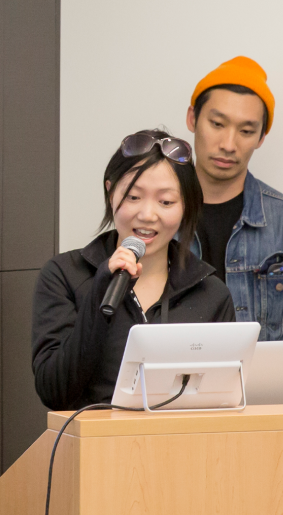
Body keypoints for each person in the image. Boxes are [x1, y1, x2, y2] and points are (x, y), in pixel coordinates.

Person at [32, 130, 234, 410]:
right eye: (134, 197)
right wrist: (100, 295)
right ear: (110, 191)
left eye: (166, 202)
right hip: (95, 448)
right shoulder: (65, 275)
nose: (148, 215)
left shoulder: (211, 292)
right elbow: (53, 391)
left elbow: (224, 398)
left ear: (185, 206)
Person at [185, 57, 283, 372]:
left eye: (246, 130)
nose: (228, 144)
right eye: (217, 124)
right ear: (192, 119)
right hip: (166, 406)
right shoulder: (152, 218)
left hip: (259, 411)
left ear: (261, 137)